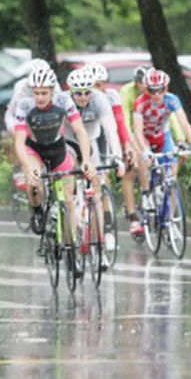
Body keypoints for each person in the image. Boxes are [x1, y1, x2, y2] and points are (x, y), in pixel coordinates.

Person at [13, 65, 95, 270]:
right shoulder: (24, 106)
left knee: (68, 201)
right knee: (35, 179)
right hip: (34, 151)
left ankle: (71, 249)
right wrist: (27, 168)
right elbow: (19, 142)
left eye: (44, 93)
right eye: (36, 93)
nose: (40, 98)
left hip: (58, 150)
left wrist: (86, 160)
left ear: (52, 91)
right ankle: (36, 208)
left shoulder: (63, 101)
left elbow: (80, 132)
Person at [64, 68, 125, 270]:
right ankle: (70, 227)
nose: (82, 97)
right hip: (68, 143)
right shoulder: (63, 101)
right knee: (70, 186)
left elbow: (110, 129)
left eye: (86, 92)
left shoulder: (99, 100)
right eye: (78, 93)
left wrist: (118, 157)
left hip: (90, 142)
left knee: (96, 193)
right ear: (71, 91)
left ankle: (99, 250)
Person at [132, 68, 191, 214]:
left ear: (166, 88)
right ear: (147, 90)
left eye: (161, 90)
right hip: (145, 137)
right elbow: (138, 132)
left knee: (172, 176)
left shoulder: (172, 100)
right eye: (153, 91)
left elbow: (185, 124)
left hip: (162, 136)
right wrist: (145, 150)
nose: (157, 94)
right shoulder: (140, 103)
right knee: (145, 161)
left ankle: (170, 218)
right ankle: (146, 193)